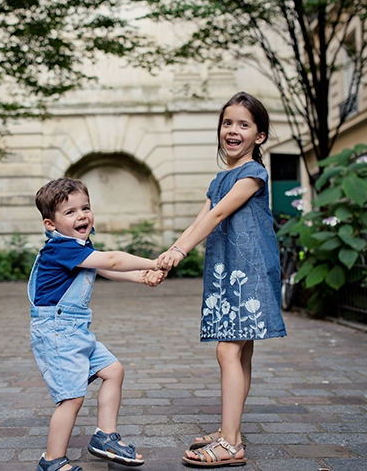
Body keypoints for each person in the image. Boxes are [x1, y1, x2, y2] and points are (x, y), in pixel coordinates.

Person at [157, 92, 287, 467]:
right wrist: (169, 255)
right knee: (240, 351)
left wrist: (179, 253)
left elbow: (215, 218)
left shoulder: (252, 174)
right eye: (227, 122)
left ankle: (230, 444)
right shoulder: (220, 179)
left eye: (244, 124)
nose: (233, 130)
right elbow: (199, 220)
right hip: (227, 271)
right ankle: (230, 430)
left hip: (248, 273)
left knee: (227, 350)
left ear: (259, 136)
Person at [29, 177, 164, 471]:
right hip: (56, 332)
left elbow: (103, 267)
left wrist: (139, 277)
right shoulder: (61, 249)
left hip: (75, 330)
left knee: (113, 371)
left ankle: (105, 435)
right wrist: (152, 263)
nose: (82, 216)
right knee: (72, 398)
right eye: (71, 212)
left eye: (85, 208)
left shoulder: (78, 246)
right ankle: (51, 461)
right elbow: (113, 261)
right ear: (51, 224)